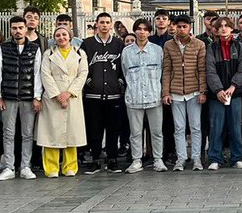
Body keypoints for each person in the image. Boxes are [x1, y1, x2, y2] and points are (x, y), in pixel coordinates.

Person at [0, 15, 43, 181]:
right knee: (8, 133)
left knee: (27, 134)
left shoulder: (34, 48)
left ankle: (25, 166)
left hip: (28, 97)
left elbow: (37, 74)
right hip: (9, 97)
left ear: (26, 28)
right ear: (10, 30)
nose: (17, 31)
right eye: (14, 28)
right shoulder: (3, 48)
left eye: (20, 28)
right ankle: (9, 167)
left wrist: (37, 96)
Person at [38, 25, 89, 177]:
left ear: (70, 36)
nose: (61, 37)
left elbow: (83, 74)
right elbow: (45, 74)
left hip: (72, 96)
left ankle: (70, 167)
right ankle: (51, 168)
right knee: (51, 134)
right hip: (53, 98)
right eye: (58, 35)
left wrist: (69, 93)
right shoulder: (48, 54)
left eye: (64, 35)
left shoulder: (80, 53)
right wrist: (57, 95)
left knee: (71, 134)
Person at [80, 12, 126, 173]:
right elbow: (81, 66)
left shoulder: (119, 44)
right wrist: (88, 82)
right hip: (93, 95)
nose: (105, 25)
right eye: (102, 22)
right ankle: (95, 158)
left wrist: (119, 82)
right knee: (95, 129)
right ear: (97, 24)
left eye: (107, 22)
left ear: (111, 24)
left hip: (113, 94)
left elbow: (124, 66)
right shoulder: (87, 44)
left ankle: (112, 159)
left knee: (113, 129)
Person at [120, 19, 166, 173]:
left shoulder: (157, 50)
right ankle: (136, 160)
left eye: (145, 29)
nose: (141, 32)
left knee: (157, 131)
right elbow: (125, 72)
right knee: (135, 132)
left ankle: (158, 159)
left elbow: (163, 72)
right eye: (138, 29)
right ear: (134, 31)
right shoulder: (126, 52)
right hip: (134, 97)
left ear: (149, 32)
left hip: (154, 96)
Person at [162, 14, 207, 171]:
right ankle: (181, 158)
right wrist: (165, 92)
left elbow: (202, 70)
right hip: (175, 92)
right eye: (179, 26)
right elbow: (167, 70)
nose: (181, 29)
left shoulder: (199, 44)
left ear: (190, 27)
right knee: (179, 128)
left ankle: (196, 158)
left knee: (195, 127)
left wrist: (203, 91)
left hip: (194, 91)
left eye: (185, 26)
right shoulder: (168, 45)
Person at [205, 16, 242, 169]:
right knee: (216, 126)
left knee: (235, 126)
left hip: (234, 94)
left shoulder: (239, 46)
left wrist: (233, 86)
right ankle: (215, 158)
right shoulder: (211, 48)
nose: (223, 28)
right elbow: (210, 71)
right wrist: (218, 90)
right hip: (216, 95)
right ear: (216, 30)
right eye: (220, 26)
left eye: (226, 26)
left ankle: (237, 157)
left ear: (231, 28)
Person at [147, 9, 175, 166]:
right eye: (158, 18)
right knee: (152, 123)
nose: (161, 21)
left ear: (169, 21)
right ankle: (153, 153)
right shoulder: (149, 40)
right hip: (151, 83)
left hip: (169, 84)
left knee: (169, 122)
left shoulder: (172, 40)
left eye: (164, 18)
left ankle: (170, 151)